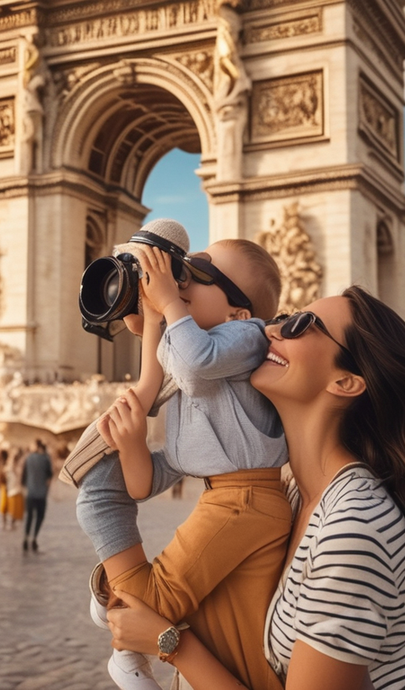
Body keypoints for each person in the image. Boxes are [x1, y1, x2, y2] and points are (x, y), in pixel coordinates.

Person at [107, 286, 405, 690]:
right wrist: (153, 322)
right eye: (286, 316)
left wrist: (170, 643)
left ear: (347, 382)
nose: (273, 328)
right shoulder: (297, 496)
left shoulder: (354, 527)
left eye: (301, 324)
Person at [78, 235, 290, 690]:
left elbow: (194, 363)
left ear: (239, 311)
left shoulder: (247, 336)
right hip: (228, 500)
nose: (185, 274)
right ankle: (112, 594)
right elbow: (144, 483)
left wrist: (171, 304)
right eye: (187, 265)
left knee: (153, 599)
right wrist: (134, 442)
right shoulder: (191, 360)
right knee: (95, 486)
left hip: (248, 502)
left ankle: (124, 640)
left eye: (202, 272)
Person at [22, 439, 52, 551]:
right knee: (39, 517)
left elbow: (23, 477)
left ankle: (26, 538)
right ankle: (34, 538)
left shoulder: (28, 458)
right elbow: (49, 476)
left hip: (31, 493)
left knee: (29, 517)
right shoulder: (45, 459)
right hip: (41, 494)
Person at [6, 449, 25, 531]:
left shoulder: (17, 467)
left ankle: (12, 522)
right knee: (13, 508)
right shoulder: (12, 468)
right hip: (14, 489)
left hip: (15, 489)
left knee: (15, 508)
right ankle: (11, 522)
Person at [0, 449, 9, 529]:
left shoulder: (6, 464)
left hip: (7, 485)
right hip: (4, 486)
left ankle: (5, 522)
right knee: (4, 505)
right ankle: (5, 522)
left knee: (5, 504)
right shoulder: (1, 464)